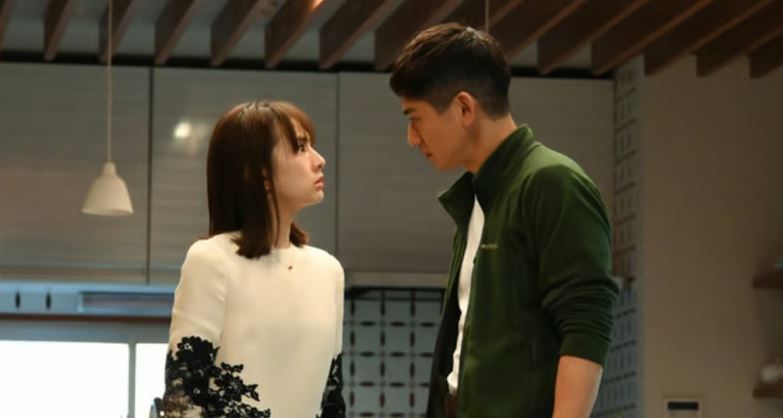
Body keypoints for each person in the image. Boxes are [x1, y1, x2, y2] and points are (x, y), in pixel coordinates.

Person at [389, 23, 619, 418]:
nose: (412, 138)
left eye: (416, 118)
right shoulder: (478, 194)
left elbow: (586, 324)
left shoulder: (552, 181)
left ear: (464, 108)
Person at [162, 101, 345, 418]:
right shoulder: (212, 260)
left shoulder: (328, 270)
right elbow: (183, 402)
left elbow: (332, 399)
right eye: (301, 148)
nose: (319, 160)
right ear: (257, 171)